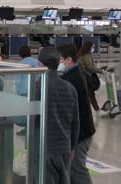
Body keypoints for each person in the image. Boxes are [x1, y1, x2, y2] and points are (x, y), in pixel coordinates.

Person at [33, 47, 79, 184]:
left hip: (44, 147)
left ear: (40, 64)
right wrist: (72, 148)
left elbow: (30, 117)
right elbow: (75, 122)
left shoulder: (37, 87)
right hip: (64, 147)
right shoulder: (70, 88)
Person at [57, 44, 95, 184]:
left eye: (60, 59)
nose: (58, 63)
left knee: (77, 170)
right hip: (81, 132)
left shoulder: (72, 79)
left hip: (81, 135)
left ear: (68, 60)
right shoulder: (74, 73)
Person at [78, 41, 102, 112]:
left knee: (88, 93)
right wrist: (100, 71)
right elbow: (90, 67)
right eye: (93, 47)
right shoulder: (87, 55)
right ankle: (97, 110)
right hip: (86, 76)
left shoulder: (81, 54)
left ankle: (96, 109)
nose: (93, 48)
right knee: (91, 93)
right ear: (89, 47)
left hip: (82, 75)